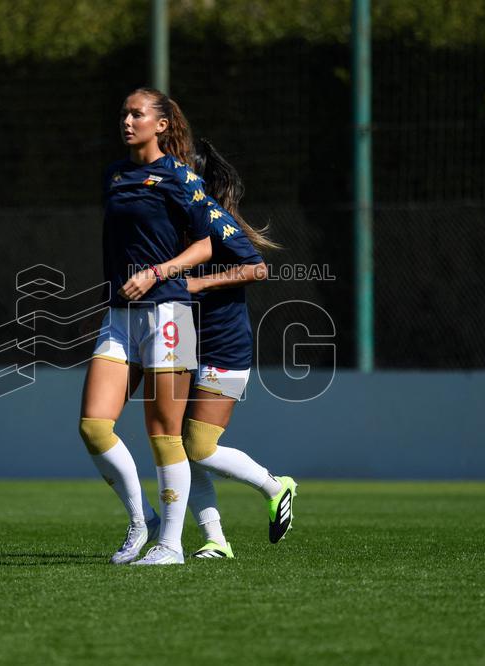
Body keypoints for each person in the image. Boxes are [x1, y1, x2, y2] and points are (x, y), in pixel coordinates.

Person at [78, 87, 213, 566]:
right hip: (119, 316)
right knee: (94, 427)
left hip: (168, 314)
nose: (127, 120)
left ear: (161, 124)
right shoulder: (114, 175)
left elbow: (205, 247)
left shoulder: (181, 176)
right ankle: (143, 521)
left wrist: (157, 272)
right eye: (124, 113)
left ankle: (171, 545)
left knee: (163, 433)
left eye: (137, 114)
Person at [182, 138, 297, 559]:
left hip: (222, 348)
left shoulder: (212, 216)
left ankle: (274, 486)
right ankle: (215, 541)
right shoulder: (173, 218)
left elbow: (256, 268)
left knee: (198, 446)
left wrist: (197, 283)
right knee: (181, 450)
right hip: (181, 348)